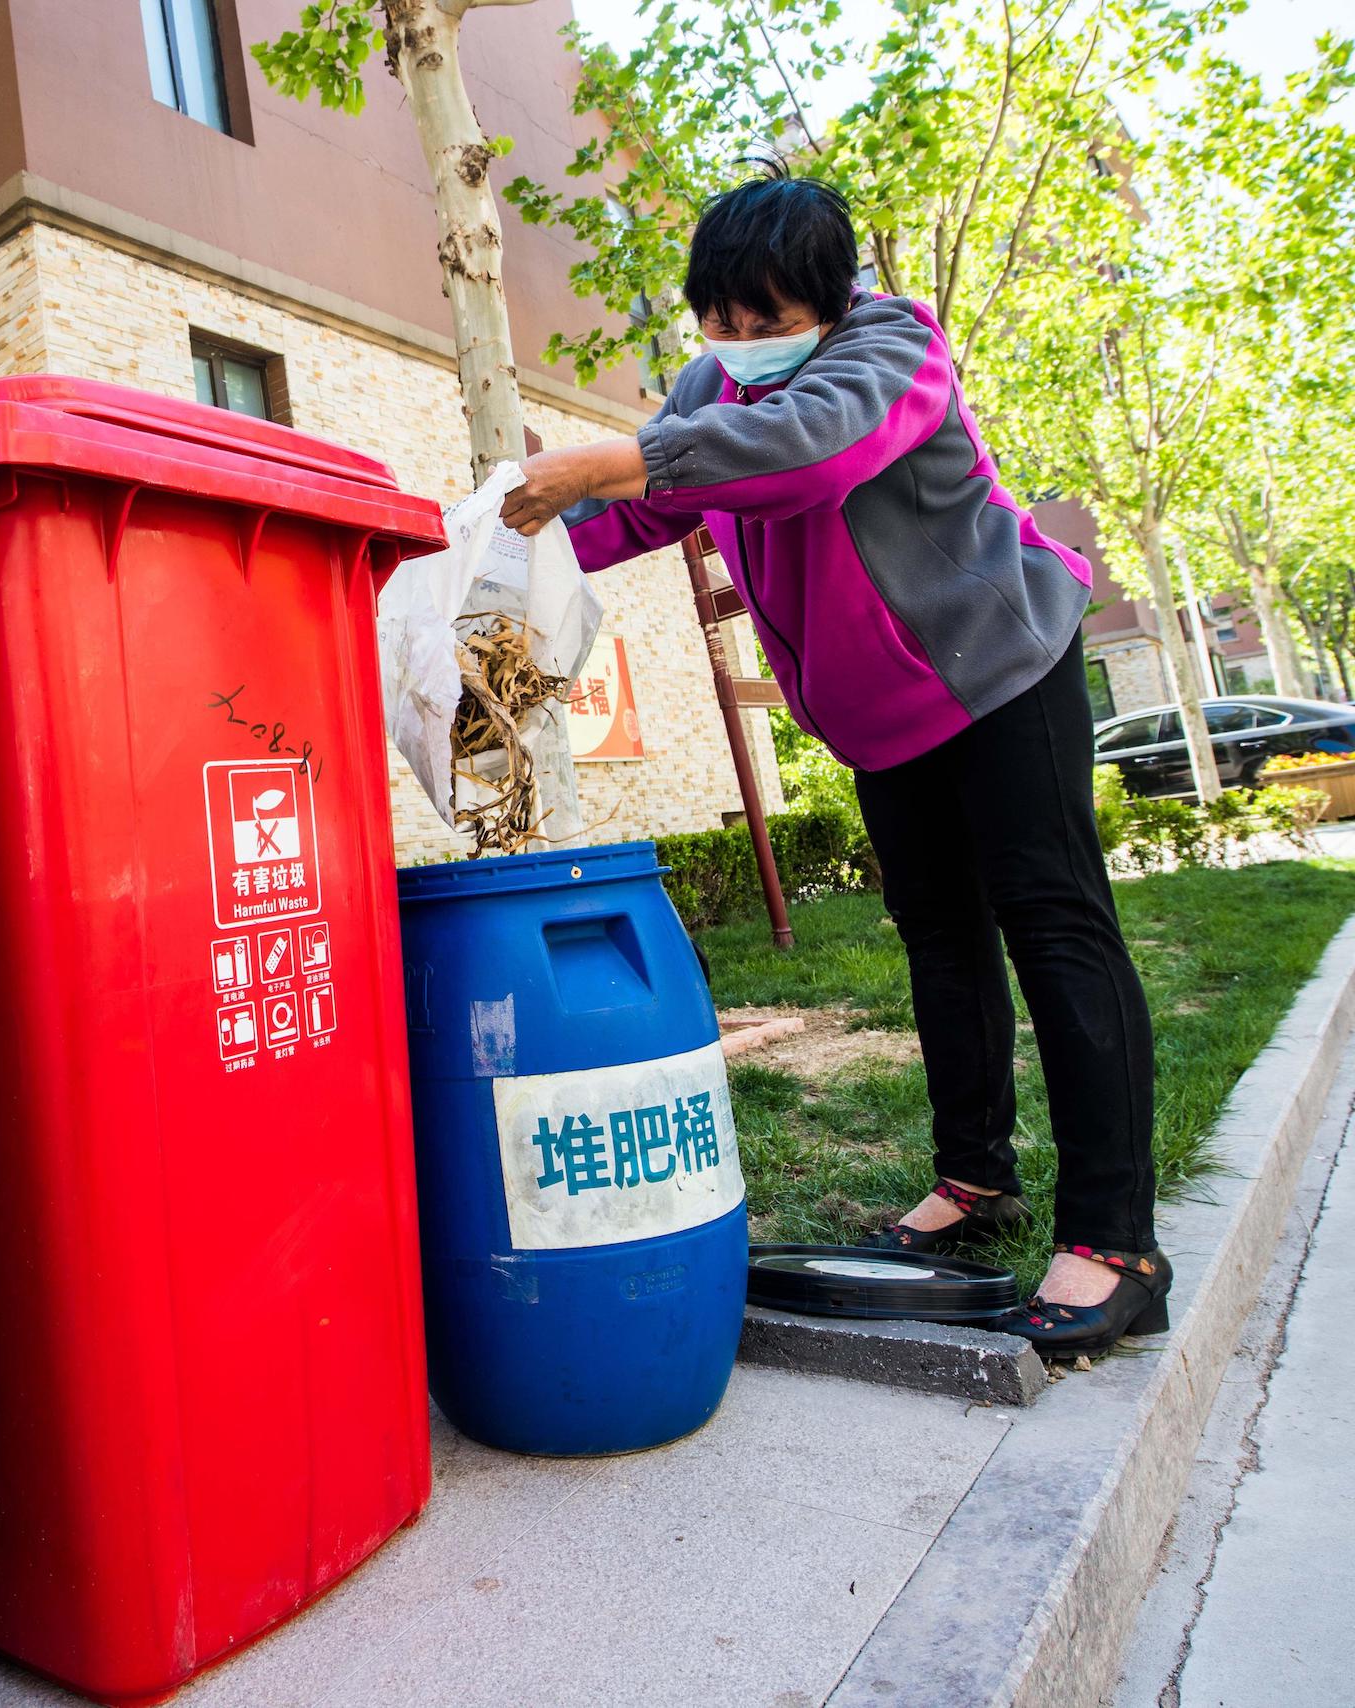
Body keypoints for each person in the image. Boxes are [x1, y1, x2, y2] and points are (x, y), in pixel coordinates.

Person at [499, 169, 1169, 1357]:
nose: (739, 345)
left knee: (1054, 924)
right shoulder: (710, 388)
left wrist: (613, 459)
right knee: (939, 936)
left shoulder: (892, 347)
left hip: (999, 670)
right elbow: (650, 510)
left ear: (831, 297)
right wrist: (506, 547)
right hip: (881, 717)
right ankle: (974, 1179)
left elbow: (803, 454)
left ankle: (1115, 1239)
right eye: (719, 318)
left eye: (769, 320)